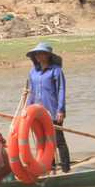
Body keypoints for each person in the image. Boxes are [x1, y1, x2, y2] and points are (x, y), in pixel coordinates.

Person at [25, 41, 70, 173]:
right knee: (44, 141)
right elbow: (30, 92)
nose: (38, 56)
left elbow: (61, 90)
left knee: (58, 140)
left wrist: (60, 109)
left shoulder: (56, 71)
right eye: (36, 54)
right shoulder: (33, 72)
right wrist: (27, 110)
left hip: (53, 110)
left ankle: (66, 169)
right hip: (39, 112)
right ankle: (51, 168)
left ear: (48, 55)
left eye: (41, 53)